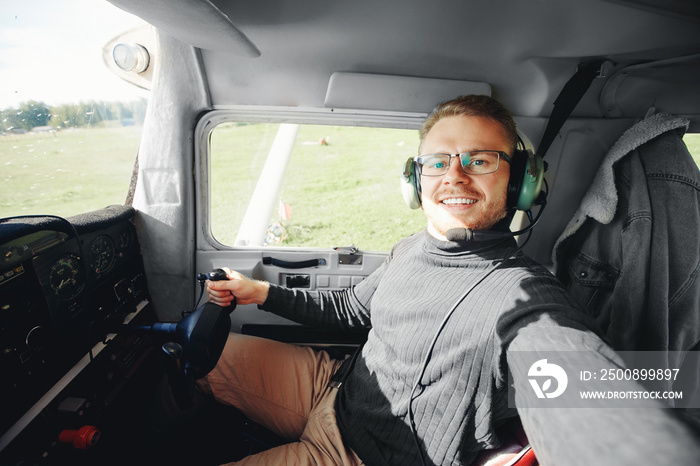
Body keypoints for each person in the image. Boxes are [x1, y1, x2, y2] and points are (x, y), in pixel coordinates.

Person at [201, 95, 700, 465]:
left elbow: (578, 383)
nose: (454, 177)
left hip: (353, 456)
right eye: (437, 162)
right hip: (334, 389)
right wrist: (258, 292)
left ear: (522, 181)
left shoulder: (524, 298)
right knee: (202, 350)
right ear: (415, 181)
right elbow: (353, 309)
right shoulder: (411, 249)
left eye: (479, 161)